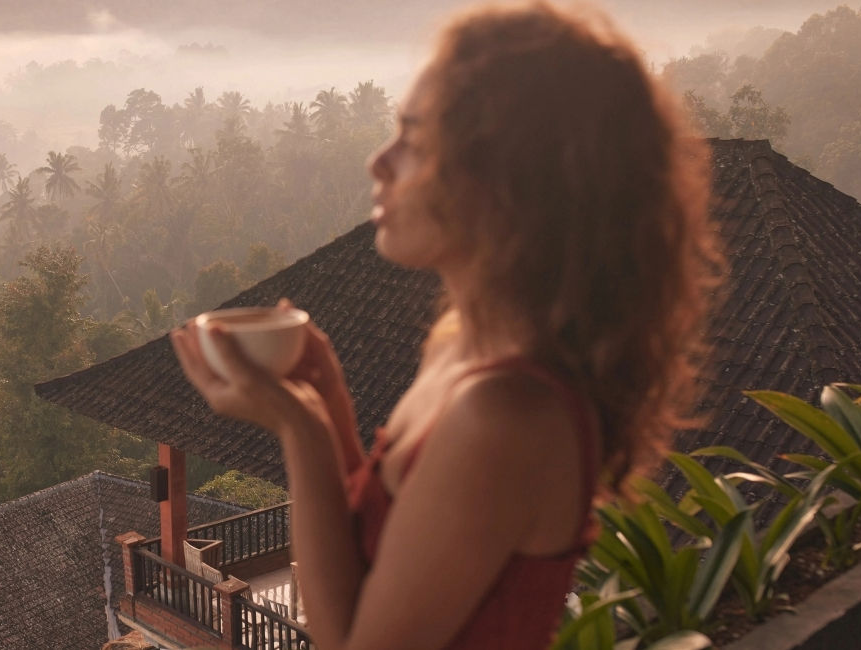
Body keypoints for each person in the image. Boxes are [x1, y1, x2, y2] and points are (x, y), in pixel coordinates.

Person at [168, 2, 723, 648]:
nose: (379, 162)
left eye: (414, 142)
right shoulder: (459, 345)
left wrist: (302, 431)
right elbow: (373, 561)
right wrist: (329, 405)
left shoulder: (507, 413)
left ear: (505, 180)